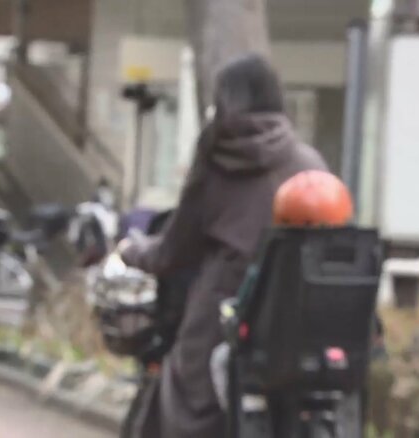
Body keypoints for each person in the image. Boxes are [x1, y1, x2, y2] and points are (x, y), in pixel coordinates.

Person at [120, 53, 328, 438]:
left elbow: (173, 251)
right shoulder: (309, 162)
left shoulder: (219, 159)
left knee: (181, 401)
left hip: (223, 320)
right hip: (296, 328)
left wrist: (132, 250)